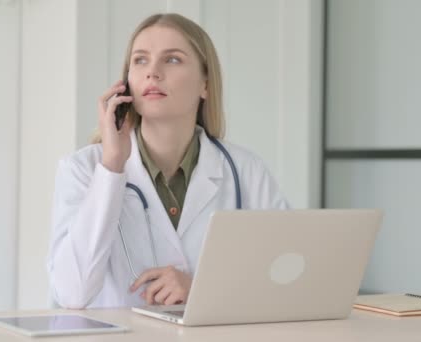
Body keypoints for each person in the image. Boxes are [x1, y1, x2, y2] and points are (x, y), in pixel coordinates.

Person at [47, 13, 289, 309]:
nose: (153, 72)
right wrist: (111, 167)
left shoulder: (246, 171)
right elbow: (72, 294)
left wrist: (199, 289)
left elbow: (285, 280)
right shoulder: (83, 169)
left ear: (205, 85)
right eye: (140, 60)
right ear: (127, 83)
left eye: (172, 59)